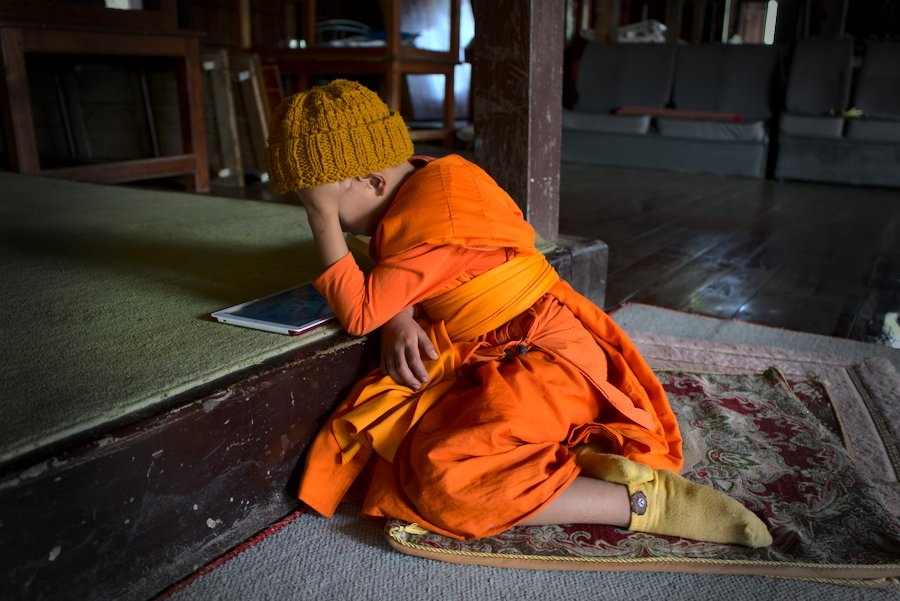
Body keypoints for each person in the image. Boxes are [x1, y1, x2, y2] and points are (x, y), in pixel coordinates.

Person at [265, 79, 772, 547]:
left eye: (326, 202)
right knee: (419, 440)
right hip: (524, 350)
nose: (327, 217)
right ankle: (571, 455)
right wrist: (400, 314)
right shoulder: (435, 177)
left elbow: (357, 312)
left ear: (373, 182)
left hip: (546, 362)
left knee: (446, 478)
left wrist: (321, 219)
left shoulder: (430, 221)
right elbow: (402, 274)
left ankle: (642, 502)